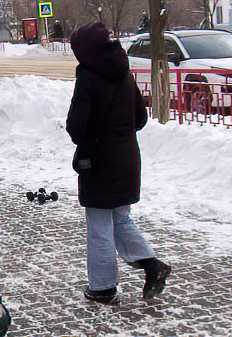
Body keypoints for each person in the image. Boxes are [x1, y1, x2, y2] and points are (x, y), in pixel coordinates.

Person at [65, 22, 171, 305]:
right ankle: (152, 265)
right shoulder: (124, 73)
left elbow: (77, 126)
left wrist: (90, 135)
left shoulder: (87, 76)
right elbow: (140, 118)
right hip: (127, 158)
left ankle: (102, 287)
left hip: (99, 161)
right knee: (121, 218)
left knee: (100, 226)